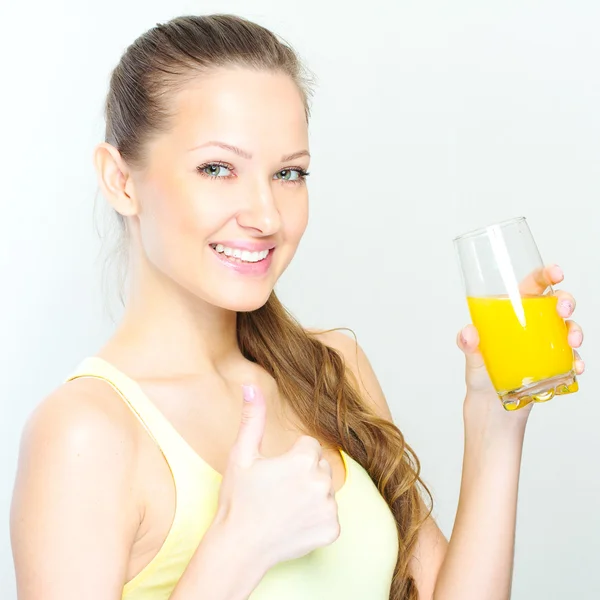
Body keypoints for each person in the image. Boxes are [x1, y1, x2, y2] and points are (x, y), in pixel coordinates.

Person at [10, 13, 585, 600]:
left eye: (289, 173)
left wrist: (495, 418)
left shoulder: (331, 368)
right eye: (218, 168)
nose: (266, 215)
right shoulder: (85, 433)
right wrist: (237, 548)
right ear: (120, 180)